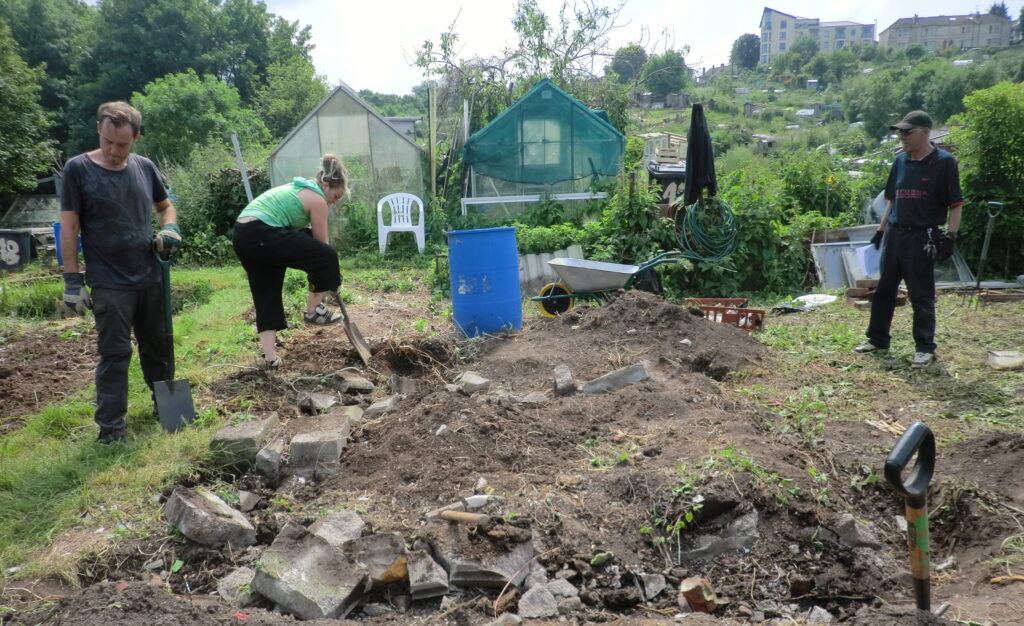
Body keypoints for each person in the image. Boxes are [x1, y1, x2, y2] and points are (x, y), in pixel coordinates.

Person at [60, 101, 183, 444]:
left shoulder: (144, 167)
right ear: (99, 130)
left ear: (136, 138)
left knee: (158, 345)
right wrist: (72, 281)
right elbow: (68, 227)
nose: (114, 151)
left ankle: (167, 408)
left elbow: (165, 206)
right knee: (115, 354)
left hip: (150, 273)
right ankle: (111, 429)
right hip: (109, 281)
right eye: (107, 141)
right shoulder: (78, 169)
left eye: (123, 144)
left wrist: (170, 229)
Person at [854, 110, 963, 368]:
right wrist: (881, 230)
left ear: (925, 132)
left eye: (907, 132)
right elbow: (892, 198)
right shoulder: (901, 161)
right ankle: (878, 339)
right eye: (900, 132)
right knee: (884, 291)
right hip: (895, 233)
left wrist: (950, 236)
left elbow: (956, 204)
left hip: (922, 236)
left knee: (921, 294)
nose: (902, 137)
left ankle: (924, 347)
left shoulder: (944, 163)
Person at [232, 154, 349, 368]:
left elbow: (307, 241)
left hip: (243, 234)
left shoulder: (299, 189)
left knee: (266, 294)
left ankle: (270, 359)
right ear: (325, 185)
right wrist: (332, 279)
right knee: (327, 256)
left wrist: (330, 277)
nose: (335, 201)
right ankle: (314, 311)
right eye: (336, 195)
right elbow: (322, 247)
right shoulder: (317, 200)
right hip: (262, 232)